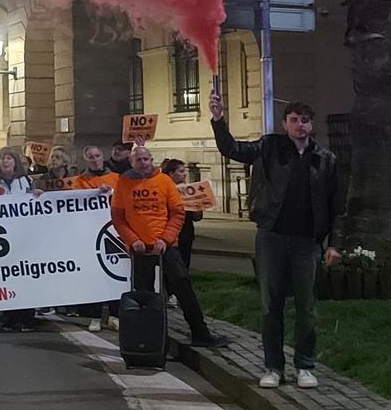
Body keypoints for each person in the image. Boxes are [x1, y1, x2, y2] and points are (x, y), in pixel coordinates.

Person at [210, 93, 341, 389]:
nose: (299, 126)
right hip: (272, 237)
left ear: (311, 125)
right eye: (294, 120)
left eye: (304, 121)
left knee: (307, 308)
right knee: (271, 307)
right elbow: (232, 148)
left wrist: (333, 243)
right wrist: (218, 119)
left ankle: (305, 366)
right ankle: (273, 367)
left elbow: (336, 204)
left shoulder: (325, 159)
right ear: (285, 124)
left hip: (307, 242)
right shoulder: (269, 147)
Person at [111, 145, 228, 350]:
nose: (143, 163)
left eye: (147, 159)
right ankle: (149, 339)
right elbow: (118, 217)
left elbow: (177, 213)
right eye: (139, 160)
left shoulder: (164, 182)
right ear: (131, 162)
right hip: (140, 248)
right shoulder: (124, 183)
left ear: (152, 160)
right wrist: (132, 240)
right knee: (144, 294)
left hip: (166, 246)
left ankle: (200, 333)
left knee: (183, 287)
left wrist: (165, 239)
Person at [0, 148, 38, 331]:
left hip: (23, 236)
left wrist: (37, 196)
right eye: (2, 159)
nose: (5, 162)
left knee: (25, 276)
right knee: (5, 277)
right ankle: (10, 316)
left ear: (15, 161)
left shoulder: (25, 181)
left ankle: (26, 316)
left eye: (8, 158)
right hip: (0, 238)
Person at [75, 145, 120, 331]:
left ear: (103, 156)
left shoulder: (116, 178)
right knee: (95, 275)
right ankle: (94, 316)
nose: (95, 159)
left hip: (113, 231)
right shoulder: (80, 181)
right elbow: (74, 202)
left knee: (115, 272)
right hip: (90, 232)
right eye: (91, 157)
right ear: (86, 160)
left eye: (97, 155)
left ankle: (114, 314)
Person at [160, 159, 200, 271]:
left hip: (186, 234)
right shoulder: (162, 189)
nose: (185, 174)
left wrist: (198, 206)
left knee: (184, 266)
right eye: (181, 171)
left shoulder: (188, 190)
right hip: (169, 235)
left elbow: (196, 217)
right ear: (171, 173)